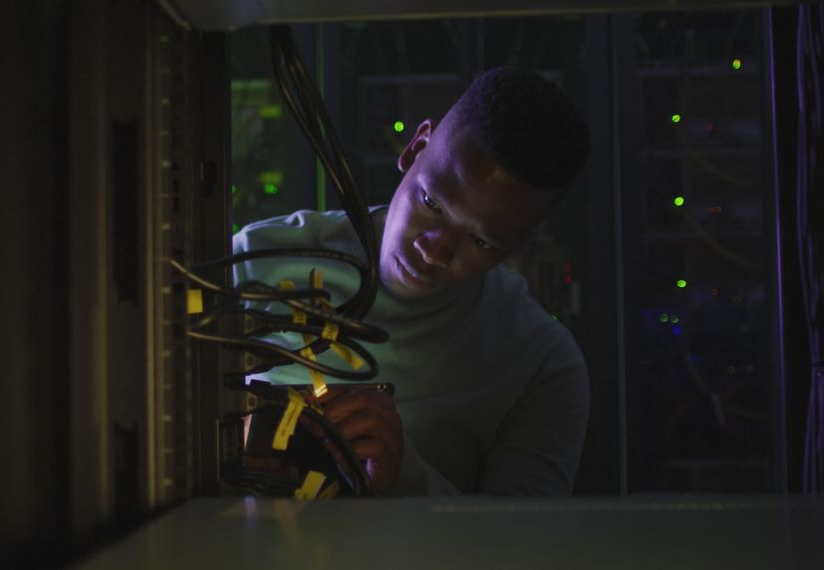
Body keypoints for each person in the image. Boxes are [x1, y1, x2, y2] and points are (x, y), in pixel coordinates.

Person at [233, 66, 591, 496]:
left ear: (518, 241)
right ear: (415, 147)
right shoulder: (254, 262)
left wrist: (405, 476)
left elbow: (523, 551)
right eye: (432, 202)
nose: (435, 250)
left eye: (481, 240)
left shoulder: (541, 364)